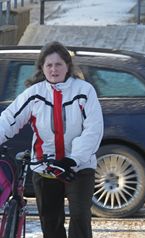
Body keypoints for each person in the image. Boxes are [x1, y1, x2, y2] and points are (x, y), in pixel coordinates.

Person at [0, 41, 104, 238]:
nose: (54, 69)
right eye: (49, 65)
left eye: (59, 64)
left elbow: (93, 129)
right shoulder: (34, 94)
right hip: (46, 167)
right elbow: (8, 120)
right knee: (51, 224)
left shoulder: (84, 91)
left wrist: (73, 159)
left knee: (80, 217)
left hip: (79, 167)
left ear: (67, 66)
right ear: (42, 68)